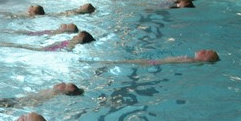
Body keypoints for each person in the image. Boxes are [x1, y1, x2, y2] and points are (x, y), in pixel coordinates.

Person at [0, 82, 84, 108]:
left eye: (63, 87)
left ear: (63, 93)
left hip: (23, 102)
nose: (61, 84)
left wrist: (26, 102)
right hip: (21, 99)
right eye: (64, 83)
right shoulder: (52, 90)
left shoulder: (53, 94)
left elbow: (37, 101)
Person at [0, 30, 94, 52]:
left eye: (77, 36)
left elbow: (66, 50)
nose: (75, 36)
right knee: (19, 45)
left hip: (43, 49)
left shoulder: (71, 45)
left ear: (80, 40)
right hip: (46, 47)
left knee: (19, 46)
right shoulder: (70, 42)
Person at [92, 50, 220, 66]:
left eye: (205, 52)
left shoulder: (191, 61)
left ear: (205, 58)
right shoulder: (192, 61)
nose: (202, 50)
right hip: (156, 62)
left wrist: (152, 62)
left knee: (128, 62)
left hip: (154, 62)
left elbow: (168, 62)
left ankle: (110, 62)